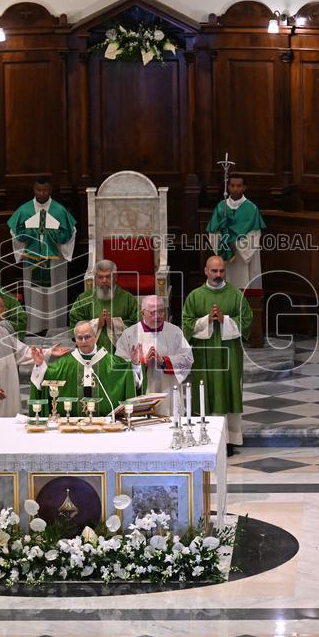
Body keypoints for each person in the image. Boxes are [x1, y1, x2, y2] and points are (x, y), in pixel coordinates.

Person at [183, 256, 252, 455]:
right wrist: (207, 320)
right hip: (205, 354)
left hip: (229, 353)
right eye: (214, 271)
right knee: (208, 390)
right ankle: (207, 436)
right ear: (206, 271)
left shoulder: (236, 295)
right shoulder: (195, 296)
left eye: (221, 271)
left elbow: (247, 319)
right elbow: (186, 322)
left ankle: (229, 440)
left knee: (229, 389)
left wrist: (224, 320)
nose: (218, 275)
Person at [0, 294, 67, 417]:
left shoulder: (3, 332)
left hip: (4, 391)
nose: (6, 311)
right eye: (3, 308)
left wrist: (49, 352)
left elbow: (21, 351)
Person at [8, 178, 77, 336]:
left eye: (45, 190)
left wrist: (52, 234)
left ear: (50, 190)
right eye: (38, 190)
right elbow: (16, 233)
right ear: (34, 190)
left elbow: (69, 233)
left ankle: (56, 326)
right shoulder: (25, 211)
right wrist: (30, 233)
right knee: (35, 292)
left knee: (54, 292)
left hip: (55, 261)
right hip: (33, 259)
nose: (41, 193)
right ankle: (34, 327)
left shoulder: (59, 211)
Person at [29, 321, 140, 417]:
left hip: (106, 423)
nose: (83, 341)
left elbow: (128, 377)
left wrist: (135, 364)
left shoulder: (112, 362)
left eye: (87, 337)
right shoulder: (64, 363)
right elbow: (46, 377)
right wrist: (39, 365)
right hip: (72, 425)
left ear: (95, 337)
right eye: (79, 338)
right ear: (75, 340)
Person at [115, 295, 193, 416]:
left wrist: (164, 361)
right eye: (152, 313)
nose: (158, 316)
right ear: (142, 313)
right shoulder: (130, 334)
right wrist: (140, 364)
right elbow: (119, 365)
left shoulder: (175, 332)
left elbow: (187, 358)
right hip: (141, 393)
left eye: (161, 311)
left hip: (168, 391)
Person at [206, 175, 267, 290]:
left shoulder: (251, 208)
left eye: (239, 186)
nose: (235, 189)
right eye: (232, 185)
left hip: (242, 255)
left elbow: (254, 234)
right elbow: (213, 232)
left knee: (244, 282)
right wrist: (223, 239)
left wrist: (235, 242)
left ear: (244, 187)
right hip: (225, 254)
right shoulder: (221, 207)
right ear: (227, 187)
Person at [69, 260, 139, 353]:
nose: (104, 280)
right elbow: (74, 325)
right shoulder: (84, 299)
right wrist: (96, 324)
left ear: (115, 277)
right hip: (91, 354)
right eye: (100, 277)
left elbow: (139, 326)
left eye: (108, 277)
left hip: (121, 354)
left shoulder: (128, 299)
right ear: (95, 278)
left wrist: (115, 324)